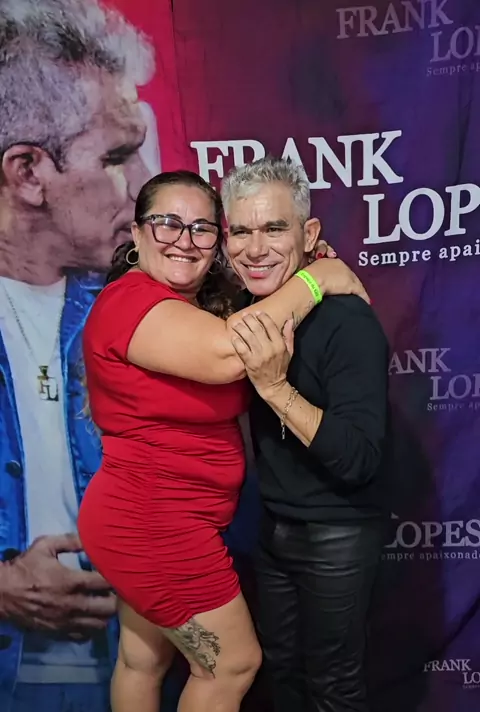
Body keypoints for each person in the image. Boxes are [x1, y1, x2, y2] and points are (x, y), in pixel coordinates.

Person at [78, 168, 369, 712]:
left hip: (155, 519)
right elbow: (233, 353)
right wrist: (317, 279)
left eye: (202, 228)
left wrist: (304, 267)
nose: (184, 240)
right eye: (167, 223)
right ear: (137, 234)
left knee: (142, 660)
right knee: (231, 665)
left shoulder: (189, 305)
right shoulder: (130, 301)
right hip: (153, 525)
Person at [0, 1, 154, 710]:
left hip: (134, 676)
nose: (146, 184)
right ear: (29, 172)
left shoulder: (150, 305)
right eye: (118, 158)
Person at [221, 156, 389, 712]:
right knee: (282, 676)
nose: (255, 248)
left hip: (338, 532)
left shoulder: (347, 321)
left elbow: (360, 459)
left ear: (309, 234)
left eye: (274, 228)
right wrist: (317, 275)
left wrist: (275, 389)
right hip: (274, 526)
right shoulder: (245, 308)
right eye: (241, 231)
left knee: (332, 687)